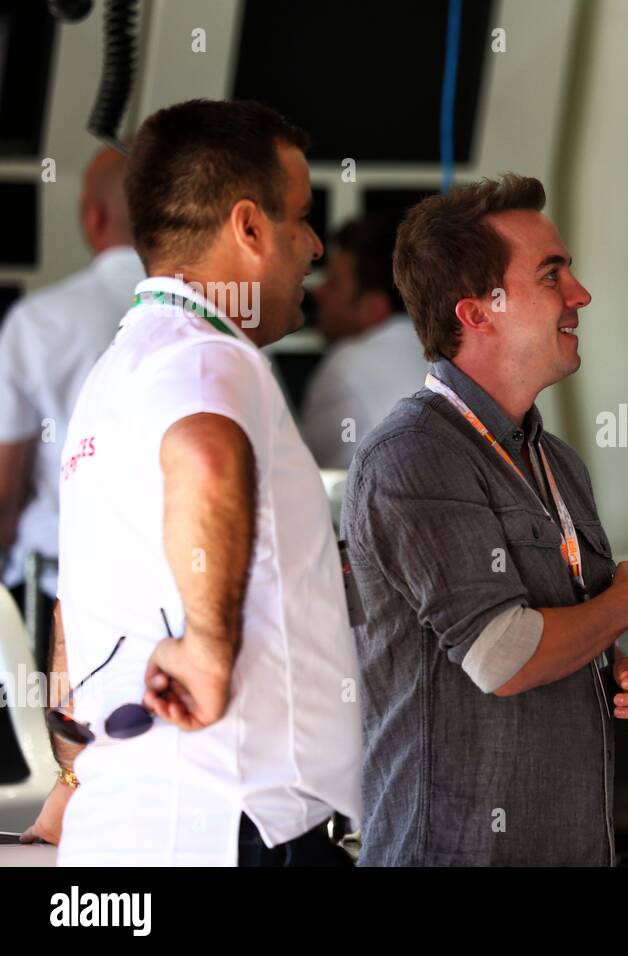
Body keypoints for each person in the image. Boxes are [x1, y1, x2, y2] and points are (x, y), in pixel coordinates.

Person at [21, 99, 362, 866]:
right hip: (233, 823)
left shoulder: (114, 378)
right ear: (247, 227)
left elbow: (77, 611)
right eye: (301, 218)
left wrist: (78, 772)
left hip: (134, 828)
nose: (312, 245)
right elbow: (205, 457)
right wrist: (207, 649)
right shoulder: (207, 354)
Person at [343, 174, 628, 865]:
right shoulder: (414, 456)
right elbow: (503, 656)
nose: (580, 295)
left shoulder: (557, 462)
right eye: (552, 275)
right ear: (478, 312)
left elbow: (569, 639)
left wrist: (627, 676)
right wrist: (625, 605)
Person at [0, 148, 143, 671]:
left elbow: (4, 492)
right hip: (176, 606)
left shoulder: (37, 322)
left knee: (50, 752)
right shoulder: (214, 316)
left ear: (94, 215)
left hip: (56, 596)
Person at [299, 214, 426, 470]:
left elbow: (315, 485)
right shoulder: (449, 354)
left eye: (334, 284)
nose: (318, 292)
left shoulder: (346, 364)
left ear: (373, 308)